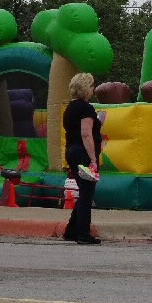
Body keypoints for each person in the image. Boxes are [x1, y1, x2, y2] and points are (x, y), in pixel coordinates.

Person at [62, 72, 103, 244]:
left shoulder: (70, 108)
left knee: (84, 190)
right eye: (92, 86)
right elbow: (86, 134)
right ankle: (83, 233)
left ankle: (71, 230)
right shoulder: (86, 108)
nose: (93, 89)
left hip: (71, 151)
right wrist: (93, 159)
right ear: (86, 88)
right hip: (82, 153)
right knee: (87, 192)